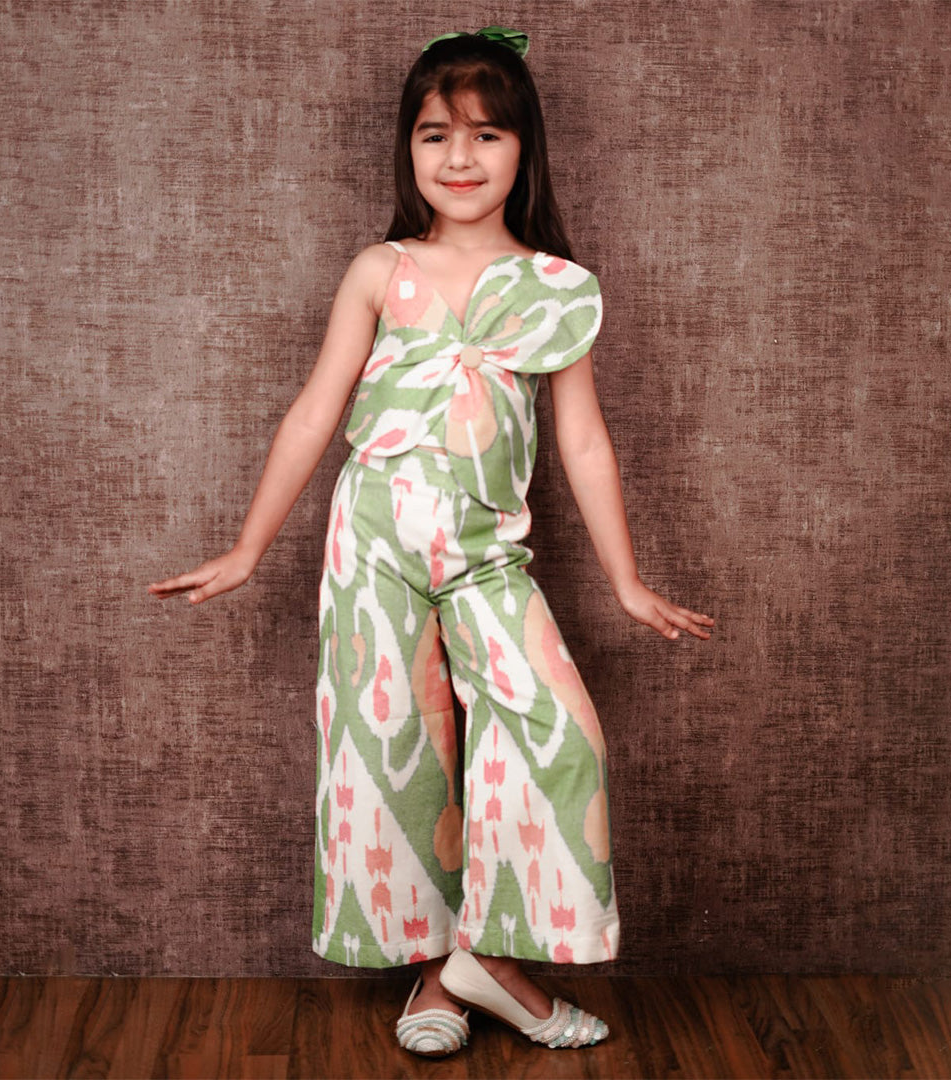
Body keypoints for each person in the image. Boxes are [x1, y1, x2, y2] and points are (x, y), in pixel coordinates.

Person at [148, 25, 714, 1057]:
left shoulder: (556, 286)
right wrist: (247, 548)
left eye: (486, 134)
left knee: (560, 735)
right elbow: (315, 413)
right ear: (407, 149)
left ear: (524, 149)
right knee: (399, 753)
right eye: (435, 135)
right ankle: (432, 977)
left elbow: (583, 442)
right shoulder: (382, 269)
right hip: (374, 547)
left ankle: (487, 961)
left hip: (490, 554)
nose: (460, 157)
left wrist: (627, 581)